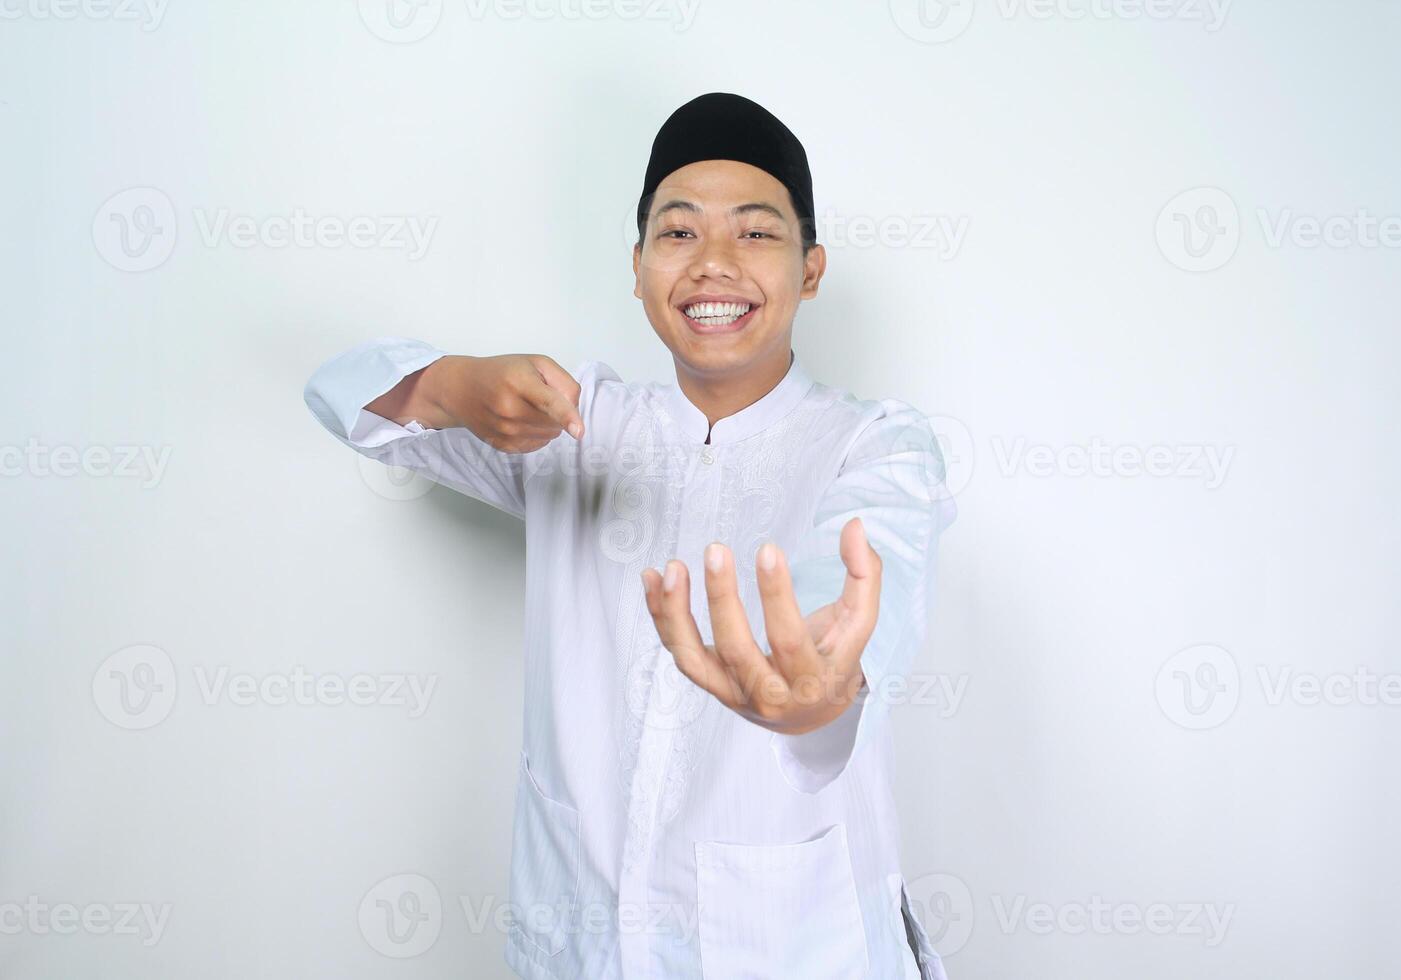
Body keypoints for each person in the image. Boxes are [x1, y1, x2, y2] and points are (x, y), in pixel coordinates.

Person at [303, 92, 957, 980]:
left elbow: (867, 571)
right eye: (678, 233)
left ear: (811, 269)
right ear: (639, 265)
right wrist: (452, 386)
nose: (713, 264)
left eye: (757, 234)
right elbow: (343, 397)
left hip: (796, 948)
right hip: (584, 945)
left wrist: (817, 686)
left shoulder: (876, 444)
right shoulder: (571, 425)